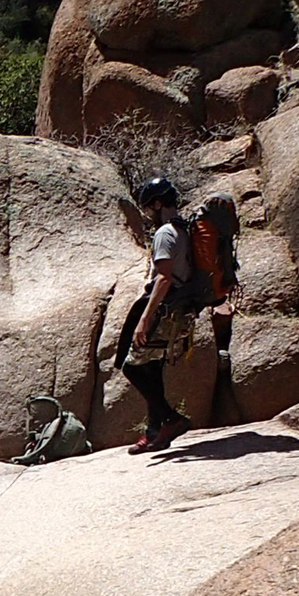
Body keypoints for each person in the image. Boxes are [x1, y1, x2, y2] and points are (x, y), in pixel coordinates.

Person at [116, 175, 217, 454]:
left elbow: (163, 278)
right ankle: (153, 433)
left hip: (165, 307)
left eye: (149, 208)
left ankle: (171, 420)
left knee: (132, 366)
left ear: (158, 204)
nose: (148, 214)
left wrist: (145, 320)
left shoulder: (164, 233)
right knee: (152, 367)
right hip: (182, 308)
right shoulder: (184, 228)